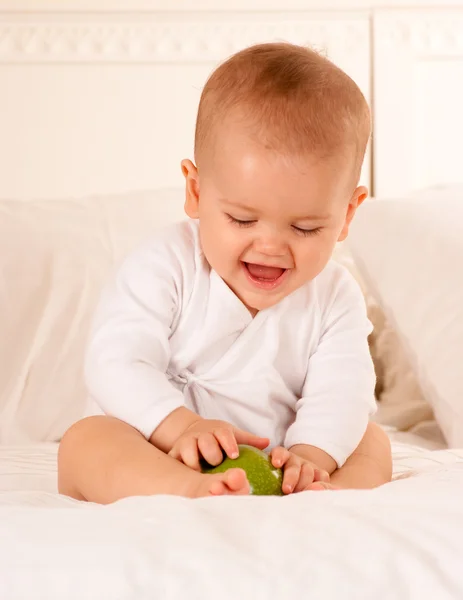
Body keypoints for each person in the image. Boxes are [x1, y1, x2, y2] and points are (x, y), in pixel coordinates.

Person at [58, 42, 392, 504]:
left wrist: (311, 457)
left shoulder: (335, 297)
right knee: (85, 440)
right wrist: (183, 428)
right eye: (242, 219)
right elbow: (116, 361)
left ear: (348, 214)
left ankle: (315, 499)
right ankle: (191, 491)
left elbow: (343, 392)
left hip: (281, 462)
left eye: (305, 227)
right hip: (162, 445)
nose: (271, 246)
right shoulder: (165, 264)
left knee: (372, 439)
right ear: (196, 191)